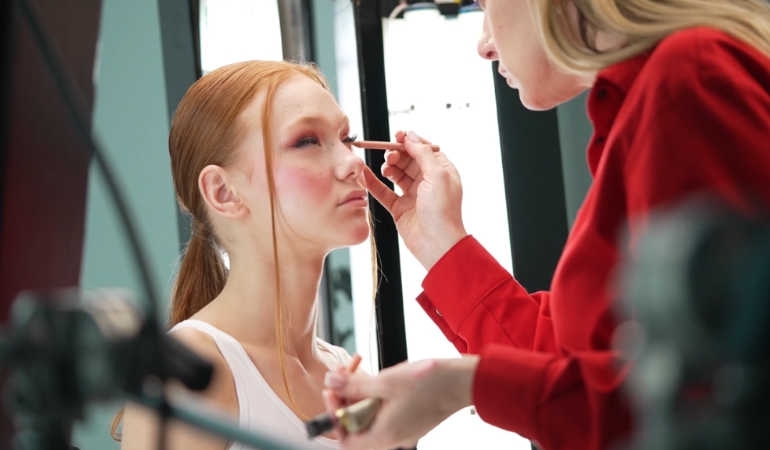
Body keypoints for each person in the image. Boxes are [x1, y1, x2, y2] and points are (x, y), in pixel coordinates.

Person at [323, 0, 770, 449]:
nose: (483, 45)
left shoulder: (688, 83)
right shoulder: (667, 94)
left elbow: (681, 403)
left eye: (486, 4)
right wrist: (441, 245)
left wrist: (461, 385)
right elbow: (580, 373)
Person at [114, 60, 371, 450]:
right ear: (224, 192)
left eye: (347, 138)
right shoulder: (186, 379)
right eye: (307, 141)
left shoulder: (346, 374)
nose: (353, 163)